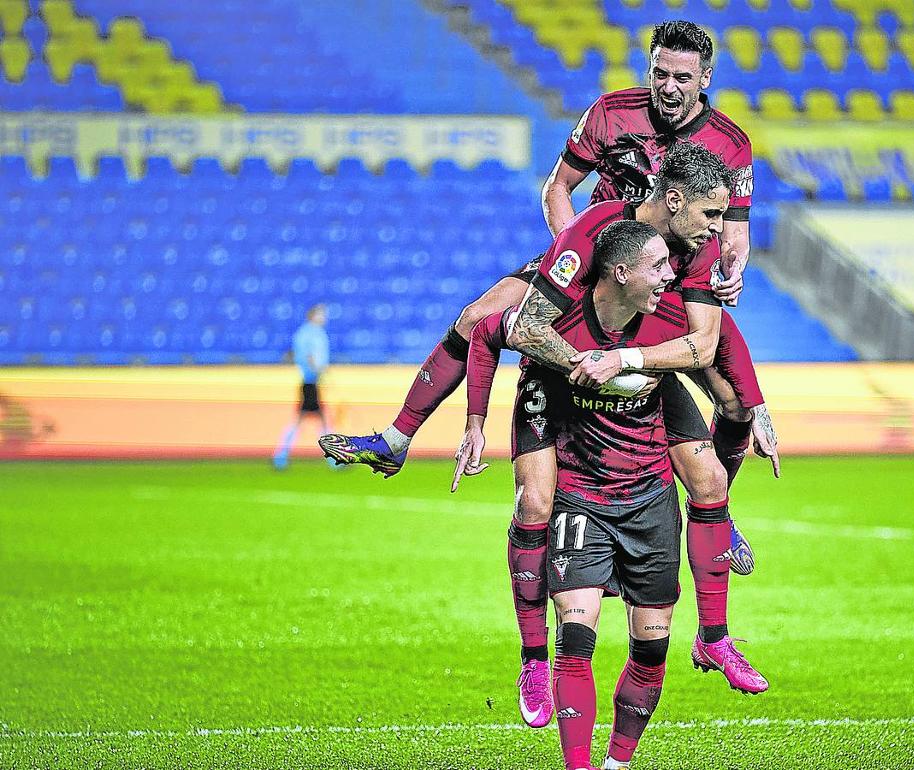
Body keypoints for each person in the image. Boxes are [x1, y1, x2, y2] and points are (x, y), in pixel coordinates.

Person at [319, 20, 776, 482]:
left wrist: (732, 269)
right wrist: (577, 254)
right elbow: (558, 187)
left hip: (671, 280)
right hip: (593, 255)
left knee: (736, 402)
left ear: (706, 78)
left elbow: (734, 233)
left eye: (682, 77)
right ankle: (396, 440)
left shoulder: (731, 143)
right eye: (660, 74)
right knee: (477, 316)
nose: (669, 88)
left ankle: (721, 513)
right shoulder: (611, 112)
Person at [452, 144, 771, 731]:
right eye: (710, 215)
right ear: (674, 202)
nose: (719, 231)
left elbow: (709, 342)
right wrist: (478, 418)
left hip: (634, 369)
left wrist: (751, 403)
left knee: (709, 478)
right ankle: (532, 658)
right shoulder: (599, 233)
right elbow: (510, 327)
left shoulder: (697, 253)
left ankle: (714, 636)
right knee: (534, 502)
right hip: (562, 375)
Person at [465, 221, 689, 770]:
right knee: (576, 634)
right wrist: (474, 421)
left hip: (649, 497)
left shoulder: (676, 317)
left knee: (652, 647)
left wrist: (750, 410)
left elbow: (714, 355)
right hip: (582, 496)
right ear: (620, 272)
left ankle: (617, 763)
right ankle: (557, 714)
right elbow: (485, 328)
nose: (671, 274)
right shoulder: (557, 315)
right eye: (658, 266)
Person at [273, 304, 331, 470]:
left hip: (310, 382)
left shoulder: (310, 333)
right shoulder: (309, 333)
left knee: (315, 419)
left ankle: (282, 455)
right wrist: (320, 371)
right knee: (312, 420)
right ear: (313, 315)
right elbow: (309, 356)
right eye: (322, 314)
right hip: (310, 382)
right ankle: (281, 455)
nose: (324, 318)